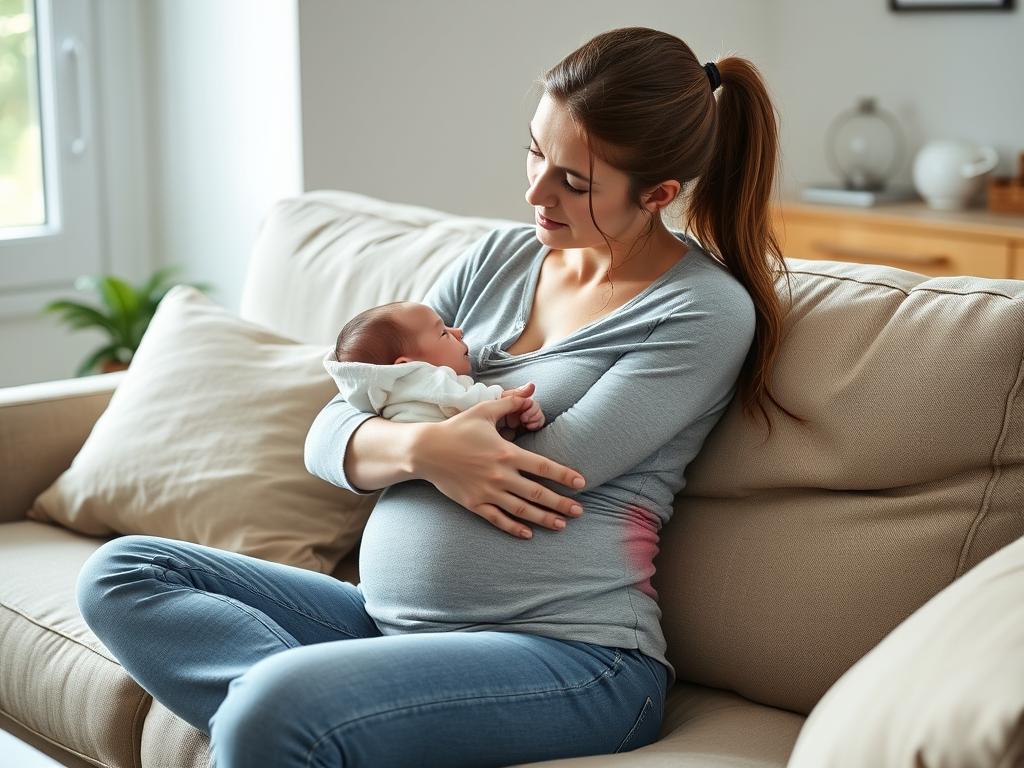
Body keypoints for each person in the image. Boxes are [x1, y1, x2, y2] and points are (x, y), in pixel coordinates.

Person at [74, 26, 804, 767]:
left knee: (277, 707)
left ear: (658, 195)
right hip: (387, 625)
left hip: (574, 658)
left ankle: (294, 717)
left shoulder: (700, 310)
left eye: (573, 183)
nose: (534, 193)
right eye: (534, 151)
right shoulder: (499, 258)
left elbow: (552, 465)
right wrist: (423, 446)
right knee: (124, 572)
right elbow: (329, 429)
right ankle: (316, 721)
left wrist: (399, 441)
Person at [325, 300, 545, 435]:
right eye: (443, 333)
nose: (458, 331)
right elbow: (464, 401)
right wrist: (506, 400)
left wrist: (507, 421)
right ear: (406, 366)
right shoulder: (424, 380)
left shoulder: (385, 397)